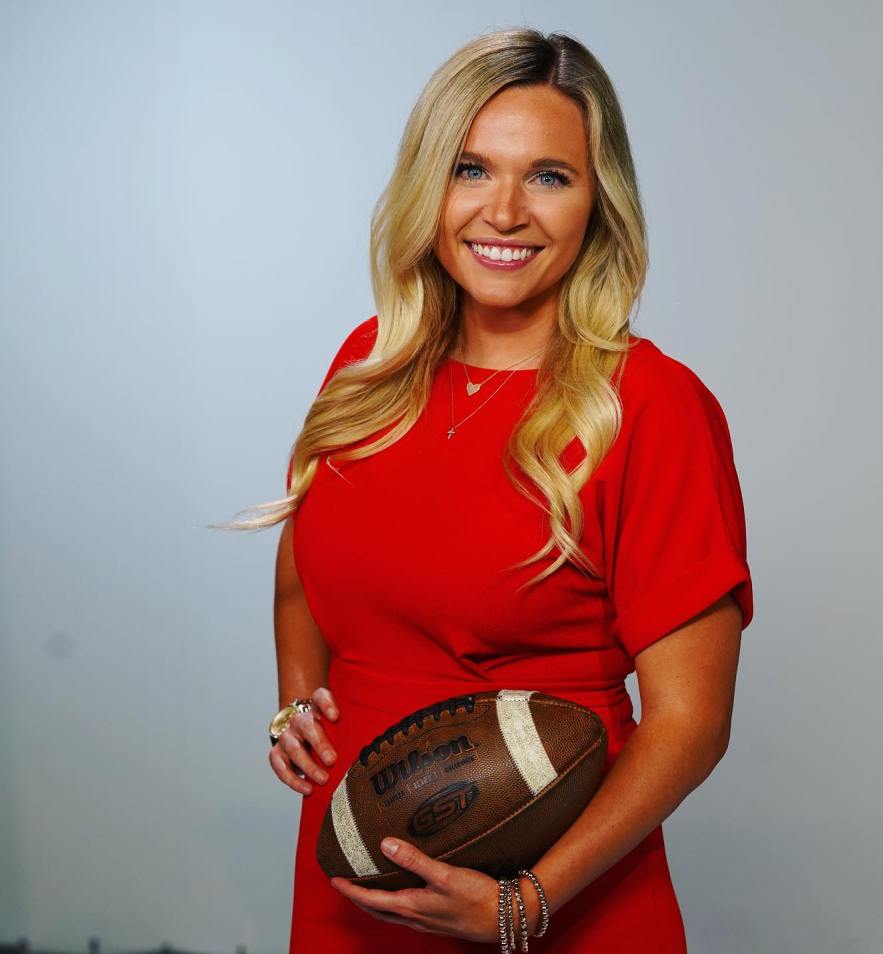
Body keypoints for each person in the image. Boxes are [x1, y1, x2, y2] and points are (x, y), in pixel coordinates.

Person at [236, 27, 753, 953]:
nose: (504, 210)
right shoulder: (370, 365)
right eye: (471, 168)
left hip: (559, 895)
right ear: (429, 187)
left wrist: (526, 905)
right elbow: (307, 555)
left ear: (599, 203)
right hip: (355, 880)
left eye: (549, 177)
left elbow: (692, 720)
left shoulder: (651, 405)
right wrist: (298, 701)